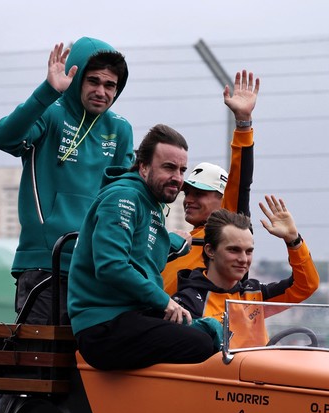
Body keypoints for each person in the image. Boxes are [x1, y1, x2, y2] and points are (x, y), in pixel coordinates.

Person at [0, 38, 132, 413]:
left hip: (93, 263)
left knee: (70, 361)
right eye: (94, 81)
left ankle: (14, 412)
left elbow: (121, 193)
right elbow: (5, 137)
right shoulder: (51, 113)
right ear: (75, 76)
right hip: (45, 257)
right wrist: (47, 92)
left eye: (111, 85)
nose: (102, 91)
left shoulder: (120, 130)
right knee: (39, 351)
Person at [68, 124, 221, 371]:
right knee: (200, 344)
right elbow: (111, 266)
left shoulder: (150, 203)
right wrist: (165, 301)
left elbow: (142, 253)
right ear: (144, 166)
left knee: (209, 332)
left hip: (127, 318)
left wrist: (174, 243)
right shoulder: (124, 198)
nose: (178, 179)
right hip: (103, 327)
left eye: (182, 170)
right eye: (169, 167)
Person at [172, 196, 319, 347]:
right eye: (234, 250)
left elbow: (306, 286)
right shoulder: (187, 302)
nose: (243, 259)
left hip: (261, 370)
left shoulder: (254, 293)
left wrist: (293, 241)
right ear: (210, 251)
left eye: (248, 251)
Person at [161, 70, 259, 295]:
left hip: (201, 325)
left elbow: (241, 183)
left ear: (224, 198)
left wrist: (243, 123)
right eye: (188, 193)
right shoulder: (181, 240)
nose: (189, 199)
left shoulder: (229, 229)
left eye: (200, 193)